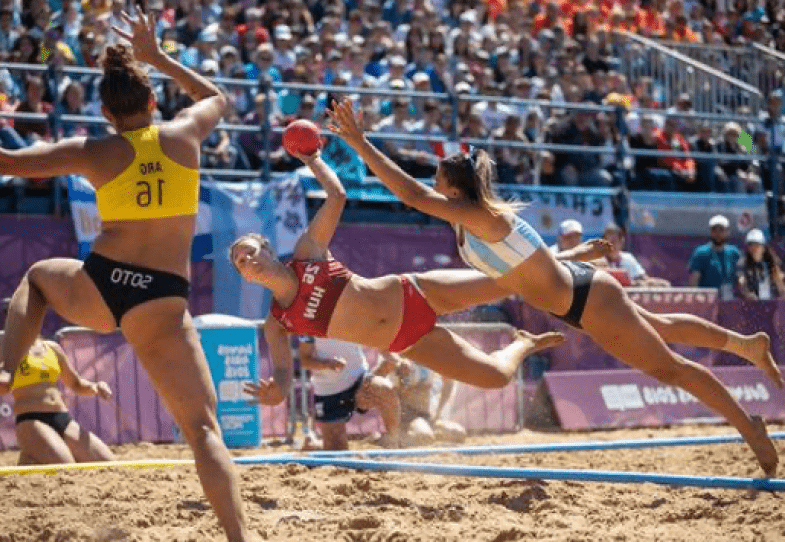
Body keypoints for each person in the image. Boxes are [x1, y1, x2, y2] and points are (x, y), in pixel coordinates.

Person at [328, 98, 781, 477]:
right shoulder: (477, 220)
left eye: (439, 177)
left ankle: (749, 427)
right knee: (662, 327)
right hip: (581, 291)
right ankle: (747, 345)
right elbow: (528, 265)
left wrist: (359, 141)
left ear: (454, 188)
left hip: (585, 302)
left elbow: (410, 194)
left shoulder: (480, 216)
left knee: (670, 369)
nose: (433, 181)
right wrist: (574, 256)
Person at [0, 12, 249, 541]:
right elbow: (219, 96)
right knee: (202, 431)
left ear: (105, 112)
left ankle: (6, 368)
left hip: (103, 287)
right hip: (163, 302)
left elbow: (6, 163)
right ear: (152, 102)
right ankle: (241, 539)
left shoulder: (95, 151)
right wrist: (158, 58)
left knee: (38, 276)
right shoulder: (185, 134)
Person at [231, 148, 565, 409]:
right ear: (245, 277)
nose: (247, 260)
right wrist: (277, 391)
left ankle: (562, 258)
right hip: (407, 341)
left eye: (250, 251)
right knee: (495, 378)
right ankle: (524, 342)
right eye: (240, 262)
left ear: (268, 250)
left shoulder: (306, 255)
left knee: (508, 283)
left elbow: (337, 196)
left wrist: (313, 159)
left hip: (414, 292)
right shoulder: (276, 323)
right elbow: (284, 372)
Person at [0, 337, 115, 465]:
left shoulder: (52, 348)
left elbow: (76, 384)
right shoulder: (4, 349)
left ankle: (31, 457)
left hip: (62, 418)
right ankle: (32, 452)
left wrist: (96, 387)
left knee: (109, 464)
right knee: (66, 467)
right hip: (30, 419)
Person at [260, 336, 401, 450]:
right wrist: (327, 364)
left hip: (358, 378)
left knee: (385, 390)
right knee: (337, 449)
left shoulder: (351, 310)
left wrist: (392, 357)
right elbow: (304, 360)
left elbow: (375, 335)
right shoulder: (309, 321)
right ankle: (315, 446)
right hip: (329, 390)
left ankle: (394, 443)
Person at [376, 351, 466, 446]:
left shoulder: (431, 356)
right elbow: (379, 380)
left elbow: (448, 380)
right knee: (423, 437)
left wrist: (438, 412)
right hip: (405, 418)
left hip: (426, 416)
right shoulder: (398, 358)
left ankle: (418, 434)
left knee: (459, 433)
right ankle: (392, 438)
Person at [595, 223, 671, 287]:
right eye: (607, 243)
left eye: (614, 242)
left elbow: (644, 279)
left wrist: (659, 283)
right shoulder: (598, 260)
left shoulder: (628, 258)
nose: (610, 246)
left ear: (621, 242)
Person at [688, 214, 742, 300]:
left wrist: (747, 293)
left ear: (728, 232)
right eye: (714, 230)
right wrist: (695, 299)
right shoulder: (701, 252)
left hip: (729, 300)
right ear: (710, 232)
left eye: (721, 230)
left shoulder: (734, 252)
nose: (718, 234)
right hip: (707, 300)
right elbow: (694, 279)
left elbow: (740, 277)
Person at [737, 228, 785, 300]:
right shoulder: (742, 263)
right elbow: (741, 281)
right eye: (750, 245)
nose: (754, 248)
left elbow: (779, 280)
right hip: (752, 305)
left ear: (763, 247)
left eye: (757, 245)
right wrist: (747, 293)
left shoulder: (771, 261)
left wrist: (782, 293)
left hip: (771, 303)